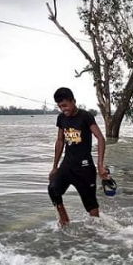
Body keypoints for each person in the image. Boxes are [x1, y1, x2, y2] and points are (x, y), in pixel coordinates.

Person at [48, 87, 109, 226]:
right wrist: (55, 167)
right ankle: (64, 221)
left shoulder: (85, 117)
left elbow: (100, 138)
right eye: (60, 107)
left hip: (84, 167)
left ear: (73, 101)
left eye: (65, 105)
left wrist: (100, 165)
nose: (63, 109)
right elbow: (60, 141)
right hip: (67, 165)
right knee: (53, 189)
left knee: (91, 204)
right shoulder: (61, 118)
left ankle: (96, 233)